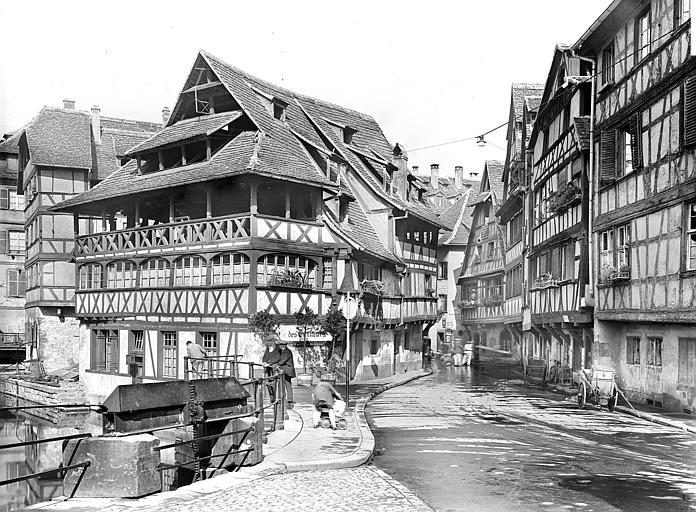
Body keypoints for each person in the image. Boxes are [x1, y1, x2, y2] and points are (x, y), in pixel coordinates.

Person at [276, 341, 296, 409]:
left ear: (282, 346)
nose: (279, 347)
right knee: (287, 385)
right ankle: (289, 400)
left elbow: (282, 361)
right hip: (287, 370)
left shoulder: (286, 352)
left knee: (288, 385)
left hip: (287, 370)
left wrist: (275, 365)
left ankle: (289, 400)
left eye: (279, 346)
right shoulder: (285, 351)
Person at [262, 337, 282, 402]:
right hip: (268, 368)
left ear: (273, 342)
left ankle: (275, 397)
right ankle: (271, 397)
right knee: (267, 383)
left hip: (274, 367)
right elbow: (265, 356)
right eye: (268, 342)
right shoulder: (268, 348)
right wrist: (264, 362)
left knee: (274, 383)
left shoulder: (278, 348)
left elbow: (277, 358)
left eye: (270, 342)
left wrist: (270, 363)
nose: (269, 343)